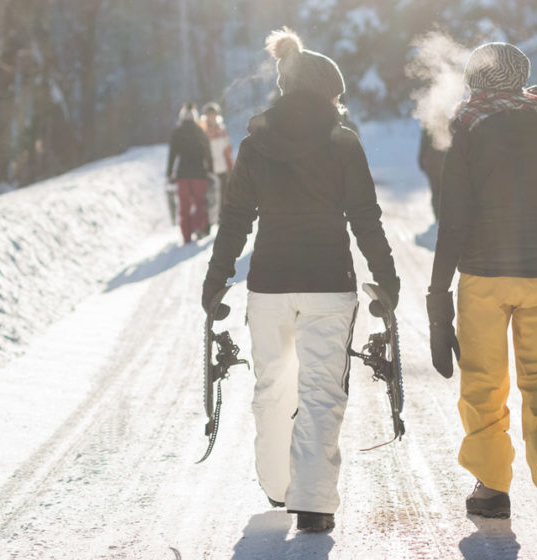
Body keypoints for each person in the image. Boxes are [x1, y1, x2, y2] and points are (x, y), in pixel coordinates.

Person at [201, 27, 399, 533]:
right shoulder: (343, 143)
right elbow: (365, 217)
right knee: (320, 391)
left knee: (272, 387)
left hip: (269, 284)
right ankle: (312, 502)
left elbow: (236, 217)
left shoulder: (254, 143)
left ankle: (277, 484)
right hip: (330, 283)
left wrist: (216, 277)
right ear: (329, 93)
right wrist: (387, 277)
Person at [426, 42, 537, 527]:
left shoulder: (468, 124)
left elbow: (455, 220)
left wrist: (437, 295)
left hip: (484, 276)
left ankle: (491, 488)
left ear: (475, 80)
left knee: (484, 382)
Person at [167, 102, 213, 243]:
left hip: (183, 175)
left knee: (184, 206)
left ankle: (186, 235)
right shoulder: (200, 131)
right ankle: (199, 227)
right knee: (200, 203)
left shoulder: (177, 133)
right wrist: (210, 170)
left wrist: (169, 173)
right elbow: (208, 152)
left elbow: (172, 154)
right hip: (199, 174)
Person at [200, 102, 234, 225]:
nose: (212, 117)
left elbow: (228, 147)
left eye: (213, 114)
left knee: (224, 195)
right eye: (209, 115)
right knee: (211, 196)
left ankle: (222, 218)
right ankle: (209, 221)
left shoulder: (221, 129)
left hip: (224, 167)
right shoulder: (203, 131)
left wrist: (230, 163)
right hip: (210, 169)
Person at [417, 126, 446, 221]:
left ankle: (438, 216)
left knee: (436, 191)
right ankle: (443, 215)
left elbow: (423, 143)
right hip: (444, 163)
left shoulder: (429, 122)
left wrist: (421, 159)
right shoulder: (448, 121)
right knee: (444, 191)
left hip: (431, 163)